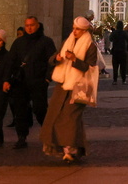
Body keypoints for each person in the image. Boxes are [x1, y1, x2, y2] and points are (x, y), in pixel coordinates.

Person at [41, 17, 98, 164]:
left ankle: (70, 150)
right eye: (74, 28)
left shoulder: (90, 46)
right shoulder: (68, 41)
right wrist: (57, 58)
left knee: (70, 118)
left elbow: (89, 67)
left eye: (78, 29)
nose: (74, 31)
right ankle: (71, 149)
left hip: (79, 87)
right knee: (57, 116)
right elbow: (52, 58)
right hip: (62, 86)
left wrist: (74, 59)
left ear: (85, 31)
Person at [3, 15, 56, 149]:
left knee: (40, 109)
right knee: (20, 110)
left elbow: (52, 61)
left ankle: (48, 134)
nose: (30, 28)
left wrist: (47, 78)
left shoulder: (46, 42)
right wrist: (7, 80)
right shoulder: (18, 42)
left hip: (38, 81)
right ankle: (21, 137)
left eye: (32, 25)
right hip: (21, 82)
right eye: (27, 26)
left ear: (37, 25)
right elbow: (11, 62)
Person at [108, 20, 128, 85]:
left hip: (115, 51)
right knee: (123, 67)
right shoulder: (124, 33)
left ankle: (115, 80)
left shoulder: (114, 33)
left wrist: (113, 31)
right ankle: (124, 80)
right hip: (123, 51)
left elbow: (110, 39)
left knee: (115, 67)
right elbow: (127, 38)